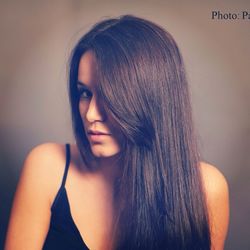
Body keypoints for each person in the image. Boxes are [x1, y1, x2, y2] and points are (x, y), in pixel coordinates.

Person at [5, 15, 229, 250]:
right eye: (85, 93)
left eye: (109, 96)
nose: (91, 114)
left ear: (150, 99)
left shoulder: (205, 189)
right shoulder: (47, 167)